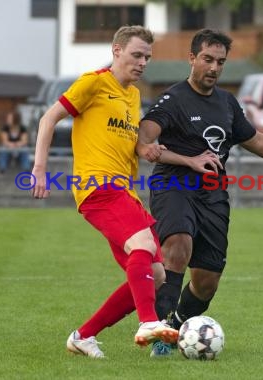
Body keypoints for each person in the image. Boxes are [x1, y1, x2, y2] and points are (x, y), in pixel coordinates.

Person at [136, 28, 263, 357]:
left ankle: (176, 323)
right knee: (178, 244)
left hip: (213, 194)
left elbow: (258, 141)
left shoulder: (228, 104)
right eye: (207, 59)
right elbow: (144, 140)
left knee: (206, 282)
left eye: (220, 61)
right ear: (192, 58)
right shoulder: (173, 100)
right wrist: (189, 160)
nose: (214, 67)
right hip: (174, 184)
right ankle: (159, 331)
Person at [30, 25, 178, 359]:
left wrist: (146, 150)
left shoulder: (134, 95)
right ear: (117, 51)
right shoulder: (94, 82)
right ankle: (148, 323)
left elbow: (126, 145)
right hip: (97, 186)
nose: (142, 63)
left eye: (147, 57)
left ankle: (83, 336)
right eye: (136, 54)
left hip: (124, 192)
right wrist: (39, 168)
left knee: (155, 275)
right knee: (142, 245)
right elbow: (48, 118)